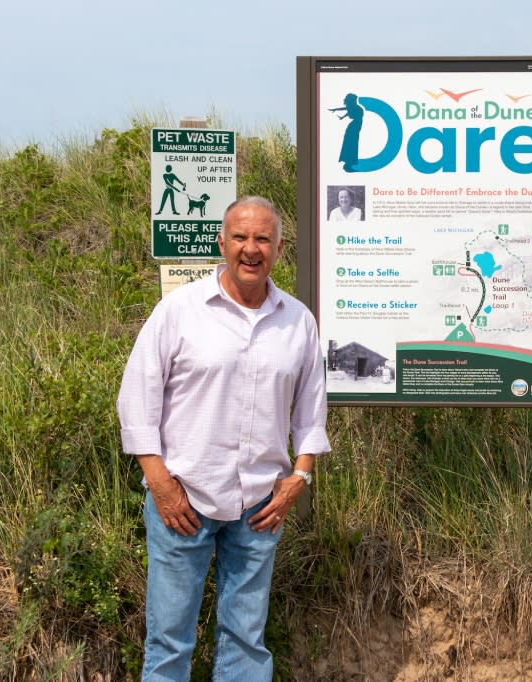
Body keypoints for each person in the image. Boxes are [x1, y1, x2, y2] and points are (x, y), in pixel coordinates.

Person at [117, 196, 330, 680]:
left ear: (279, 248)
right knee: (169, 642)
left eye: (262, 239)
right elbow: (136, 400)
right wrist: (160, 484)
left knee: (246, 641)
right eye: (240, 238)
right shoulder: (179, 310)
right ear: (222, 242)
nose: (250, 249)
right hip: (182, 501)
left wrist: (300, 478)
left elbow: (311, 411)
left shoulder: (298, 321)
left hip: (261, 504)